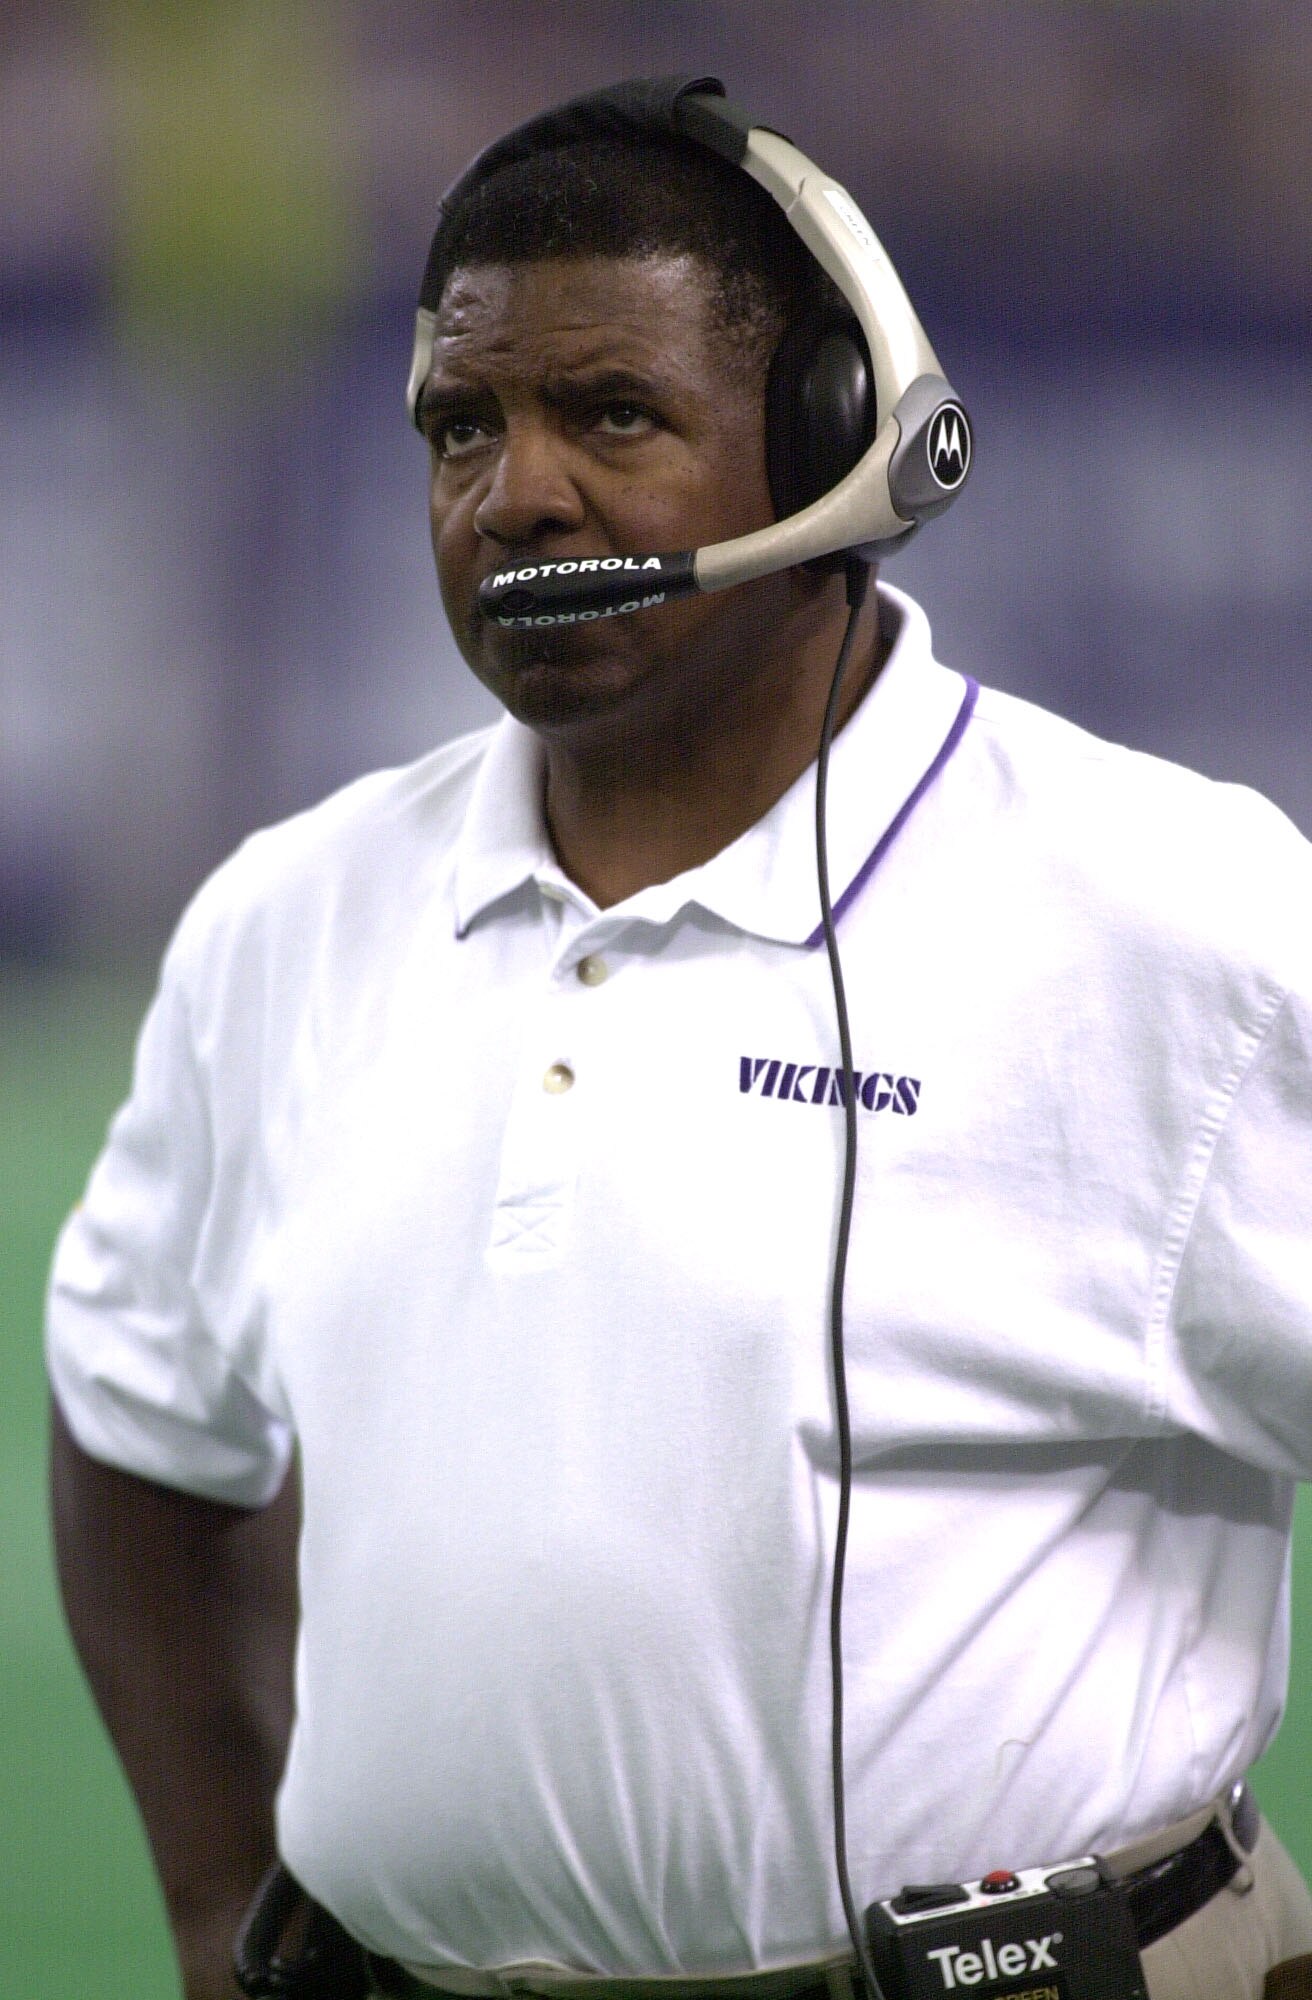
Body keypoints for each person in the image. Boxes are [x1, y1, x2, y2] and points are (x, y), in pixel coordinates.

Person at [46, 77, 1312, 2000]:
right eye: (461, 428)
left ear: (837, 443)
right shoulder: (284, 923)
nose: (515, 494)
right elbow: (136, 1421)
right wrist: (221, 1909)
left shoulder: (1174, 915)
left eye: (609, 416)